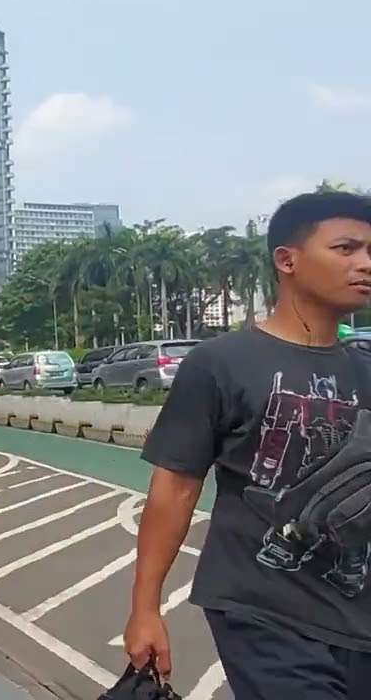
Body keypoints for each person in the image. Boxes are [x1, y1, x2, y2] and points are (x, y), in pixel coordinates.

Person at [122, 191, 371, 700]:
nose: (365, 264)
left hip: (357, 613)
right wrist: (145, 609)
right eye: (346, 249)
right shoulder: (220, 364)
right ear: (287, 260)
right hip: (265, 613)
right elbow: (173, 488)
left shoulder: (365, 369)